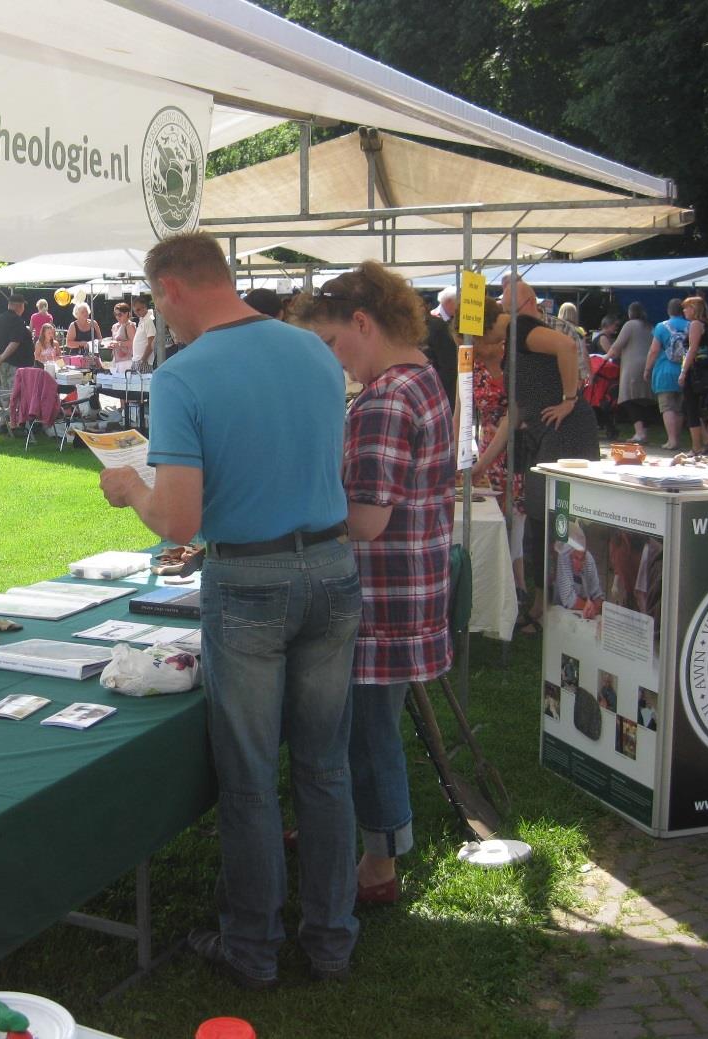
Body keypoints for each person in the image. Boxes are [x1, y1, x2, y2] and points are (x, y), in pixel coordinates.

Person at [98, 232, 360, 990]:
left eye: (157, 303)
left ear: (173, 289)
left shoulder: (185, 375)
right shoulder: (314, 350)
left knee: (249, 778)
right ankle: (332, 939)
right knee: (324, 767)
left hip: (251, 579)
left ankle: (253, 946)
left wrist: (130, 489)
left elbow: (178, 521)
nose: (161, 318)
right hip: (333, 566)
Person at [288, 261, 454, 909]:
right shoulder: (423, 378)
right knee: (367, 725)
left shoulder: (386, 397)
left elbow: (364, 521)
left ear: (363, 322)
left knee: (367, 732)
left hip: (384, 593)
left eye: (332, 344)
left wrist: (299, 498)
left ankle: (379, 864)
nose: (332, 360)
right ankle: (354, 830)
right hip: (412, 580)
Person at [498, 278, 600, 635]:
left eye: (505, 302)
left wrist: (569, 400)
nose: (500, 309)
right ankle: (547, 605)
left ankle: (563, 605)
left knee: (558, 520)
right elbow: (519, 403)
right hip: (551, 434)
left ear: (524, 303)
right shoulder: (519, 331)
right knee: (546, 519)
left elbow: (568, 349)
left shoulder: (524, 327)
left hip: (565, 433)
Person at [468, 300, 527, 598]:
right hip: (490, 448)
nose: (474, 347)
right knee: (498, 515)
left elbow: (512, 416)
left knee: (518, 517)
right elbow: (460, 411)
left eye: (478, 340)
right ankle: (502, 585)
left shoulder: (515, 358)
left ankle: (519, 586)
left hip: (520, 448)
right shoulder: (471, 363)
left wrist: (481, 463)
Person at [605, 302, 657, 444]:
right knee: (644, 400)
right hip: (648, 365)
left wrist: (604, 358)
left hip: (632, 367)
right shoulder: (650, 327)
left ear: (630, 313)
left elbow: (617, 346)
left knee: (629, 399)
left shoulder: (629, 325)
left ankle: (639, 433)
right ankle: (644, 432)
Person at [644, 299, 690, 450]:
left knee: (667, 407)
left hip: (664, 371)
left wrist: (647, 369)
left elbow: (654, 350)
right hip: (685, 370)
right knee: (679, 407)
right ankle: (677, 437)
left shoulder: (661, 327)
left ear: (668, 310)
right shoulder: (690, 326)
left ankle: (672, 440)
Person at [677, 296, 708, 453]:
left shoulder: (695, 324)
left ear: (694, 309)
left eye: (686, 308)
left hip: (694, 370)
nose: (684, 311)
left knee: (691, 408)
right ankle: (707, 439)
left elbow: (692, 349)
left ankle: (696, 447)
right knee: (690, 406)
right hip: (705, 369)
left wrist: (683, 371)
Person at [553, 522, 604, 619]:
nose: (580, 564)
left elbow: (598, 595)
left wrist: (595, 608)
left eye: (583, 558)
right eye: (576, 558)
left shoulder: (589, 559)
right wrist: (587, 605)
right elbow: (568, 599)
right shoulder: (563, 557)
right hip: (561, 612)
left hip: (584, 615)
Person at [0, 294, 34, 392]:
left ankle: (5, 407)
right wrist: (2, 357)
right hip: (16, 364)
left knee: (5, 393)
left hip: (2, 363)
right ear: (20, 306)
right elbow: (15, 341)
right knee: (15, 394)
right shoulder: (17, 321)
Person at [131, 297, 157, 369]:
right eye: (134, 311)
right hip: (137, 360)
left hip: (144, 361)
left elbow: (151, 342)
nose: (136, 313)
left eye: (138, 310)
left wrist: (143, 360)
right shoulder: (142, 319)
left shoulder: (149, 320)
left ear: (145, 307)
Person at [109, 303, 136, 371]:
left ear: (126, 313)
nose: (117, 317)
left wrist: (119, 344)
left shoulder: (129, 325)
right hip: (116, 360)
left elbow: (134, 342)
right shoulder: (114, 326)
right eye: (115, 314)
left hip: (127, 361)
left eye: (120, 314)